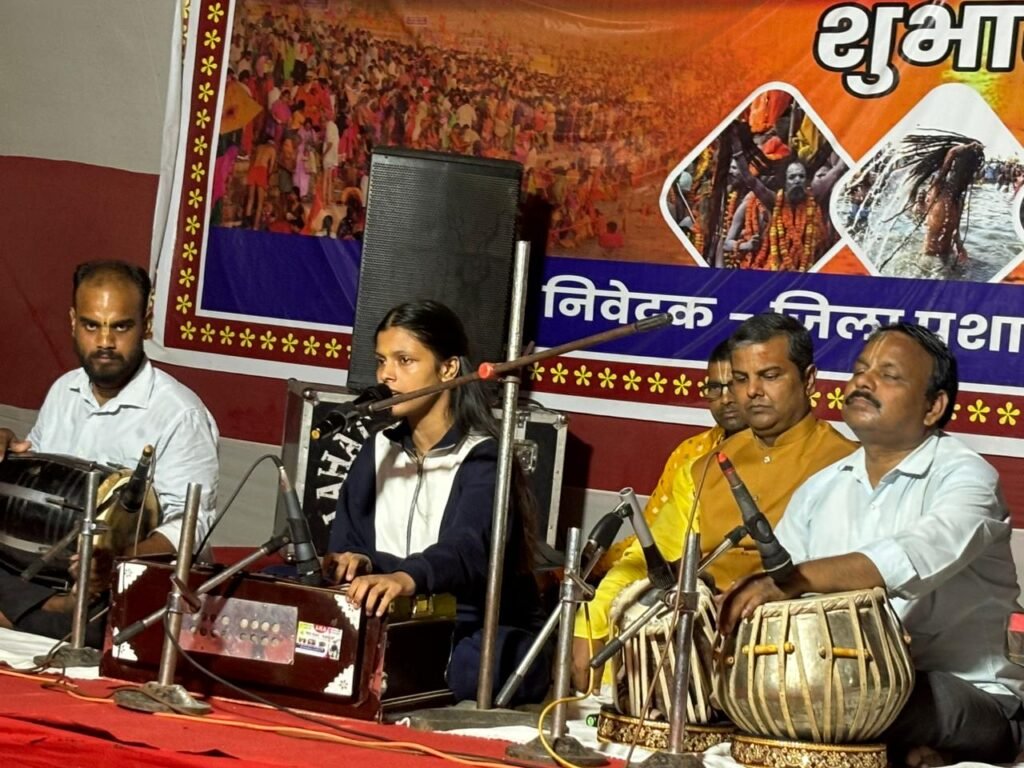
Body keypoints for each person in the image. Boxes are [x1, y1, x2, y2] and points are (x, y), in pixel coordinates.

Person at [720, 323, 1024, 765]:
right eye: (860, 370)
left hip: (968, 694)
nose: (863, 381)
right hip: (847, 683)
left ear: (933, 406)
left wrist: (793, 581)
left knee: (853, 698)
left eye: (889, 375)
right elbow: (780, 594)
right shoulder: (821, 489)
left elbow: (912, 555)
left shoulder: (968, 479)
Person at [572, 313, 856, 692]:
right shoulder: (705, 467)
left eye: (769, 376)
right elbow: (649, 558)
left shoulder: (847, 465)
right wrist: (589, 624)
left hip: (797, 656)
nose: (751, 391)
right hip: (695, 652)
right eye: (741, 379)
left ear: (808, 380)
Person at [322, 300, 549, 705]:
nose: (386, 375)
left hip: (465, 626)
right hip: (391, 618)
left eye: (405, 360)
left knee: (474, 666)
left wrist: (405, 578)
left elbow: (468, 549)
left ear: (448, 369)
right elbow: (348, 542)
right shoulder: (376, 450)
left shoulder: (483, 457)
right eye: (381, 361)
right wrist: (354, 561)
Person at [0, 260, 219, 645]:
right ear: (72, 321)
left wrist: (115, 558)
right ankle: (47, 609)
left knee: (118, 608)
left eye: (120, 326)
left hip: (120, 584)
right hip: (47, 573)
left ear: (145, 324)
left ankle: (39, 614)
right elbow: (37, 484)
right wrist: (9, 448)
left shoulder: (180, 414)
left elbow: (190, 526)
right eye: (91, 325)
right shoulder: (64, 391)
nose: (104, 342)